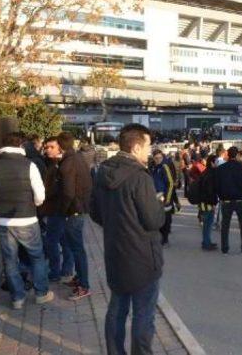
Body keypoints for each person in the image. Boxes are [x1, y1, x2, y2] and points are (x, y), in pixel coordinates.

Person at [91, 124, 165, 355]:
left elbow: (94, 212)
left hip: (115, 253)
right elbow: (154, 220)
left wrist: (117, 225)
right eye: (147, 146)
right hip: (143, 257)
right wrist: (159, 204)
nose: (149, 151)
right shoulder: (139, 177)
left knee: (117, 310)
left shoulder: (102, 171)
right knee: (143, 315)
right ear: (135, 148)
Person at [0, 132, 53, 309]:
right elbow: (40, 195)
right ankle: (41, 293)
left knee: (10, 260)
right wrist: (33, 204)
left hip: (4, 221)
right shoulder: (30, 165)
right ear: (21, 146)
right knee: (37, 256)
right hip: (27, 218)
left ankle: (17, 298)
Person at [57, 131, 93, 300]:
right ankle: (80, 278)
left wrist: (62, 211)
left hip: (74, 211)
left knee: (77, 249)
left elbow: (68, 192)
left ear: (59, 145)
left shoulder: (68, 163)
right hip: (80, 208)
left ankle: (84, 285)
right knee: (75, 248)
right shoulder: (77, 158)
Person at [39, 136, 75, 283]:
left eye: (51, 147)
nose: (48, 150)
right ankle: (65, 271)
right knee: (63, 241)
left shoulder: (61, 165)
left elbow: (61, 190)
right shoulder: (51, 163)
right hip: (55, 209)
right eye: (46, 147)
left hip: (58, 209)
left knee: (52, 241)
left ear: (60, 148)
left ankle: (56, 272)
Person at [214, 146, 242, 254]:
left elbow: (216, 185)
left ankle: (225, 248)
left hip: (226, 200)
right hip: (240, 200)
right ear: (237, 155)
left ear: (227, 155)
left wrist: (221, 195)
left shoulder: (221, 169)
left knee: (225, 225)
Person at [151, 150, 180, 246]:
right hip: (155, 197)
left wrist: (167, 199)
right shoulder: (153, 167)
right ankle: (160, 237)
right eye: (156, 158)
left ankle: (165, 239)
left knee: (166, 219)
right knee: (158, 218)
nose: (158, 160)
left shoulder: (164, 167)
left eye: (160, 158)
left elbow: (170, 183)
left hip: (164, 197)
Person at [199, 154, 219, 250]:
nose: (218, 163)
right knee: (208, 224)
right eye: (216, 162)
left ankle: (206, 241)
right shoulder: (211, 174)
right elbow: (211, 191)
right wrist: (214, 203)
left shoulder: (205, 172)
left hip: (203, 202)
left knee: (206, 224)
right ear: (212, 163)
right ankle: (206, 244)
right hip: (208, 203)